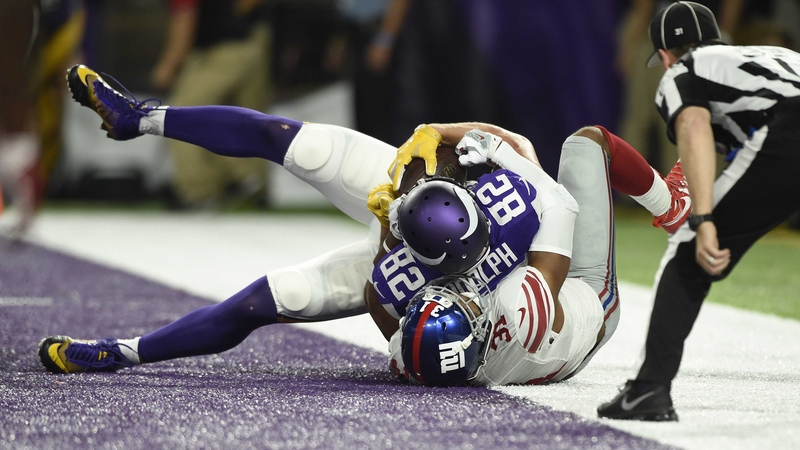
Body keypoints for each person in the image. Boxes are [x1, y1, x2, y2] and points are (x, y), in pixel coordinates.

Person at [38, 64, 688, 378]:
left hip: (578, 304)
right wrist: (431, 138)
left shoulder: (491, 289)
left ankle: (124, 353)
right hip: (520, 279)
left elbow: (393, 314)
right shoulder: (519, 181)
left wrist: (387, 248)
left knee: (275, 298)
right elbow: (474, 152)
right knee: (302, 144)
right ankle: (140, 117)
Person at [598, 1, 800, 422]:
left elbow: (693, 127)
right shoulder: (768, 55)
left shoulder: (684, 71)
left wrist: (704, 219)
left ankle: (649, 390)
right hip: (786, 117)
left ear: (667, 55)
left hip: (789, 129)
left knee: (687, 252)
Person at [379, 125, 688, 386]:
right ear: (478, 332)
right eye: (469, 307)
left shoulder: (416, 357)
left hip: (523, 334)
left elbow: (375, 296)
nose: (462, 294)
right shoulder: (519, 309)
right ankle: (672, 207)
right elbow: (559, 203)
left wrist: (390, 228)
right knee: (587, 142)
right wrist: (500, 152)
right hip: (587, 301)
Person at [153, 0, 273, 209]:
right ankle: (247, 180)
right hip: (242, 43)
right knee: (238, 117)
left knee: (180, 115)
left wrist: (168, 67)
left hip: (224, 52)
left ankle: (199, 191)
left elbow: (184, 21)